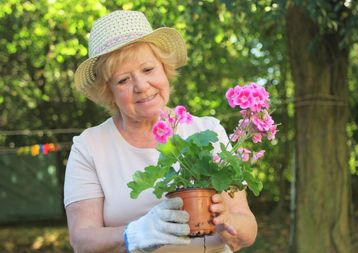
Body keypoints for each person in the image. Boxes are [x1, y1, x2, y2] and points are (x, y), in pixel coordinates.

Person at [64, 10, 257, 253]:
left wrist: (228, 219)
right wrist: (133, 233)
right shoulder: (89, 147)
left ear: (165, 69)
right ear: (108, 91)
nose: (141, 86)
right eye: (123, 80)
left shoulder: (207, 130)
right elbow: (82, 240)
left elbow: (248, 229)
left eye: (148, 70)